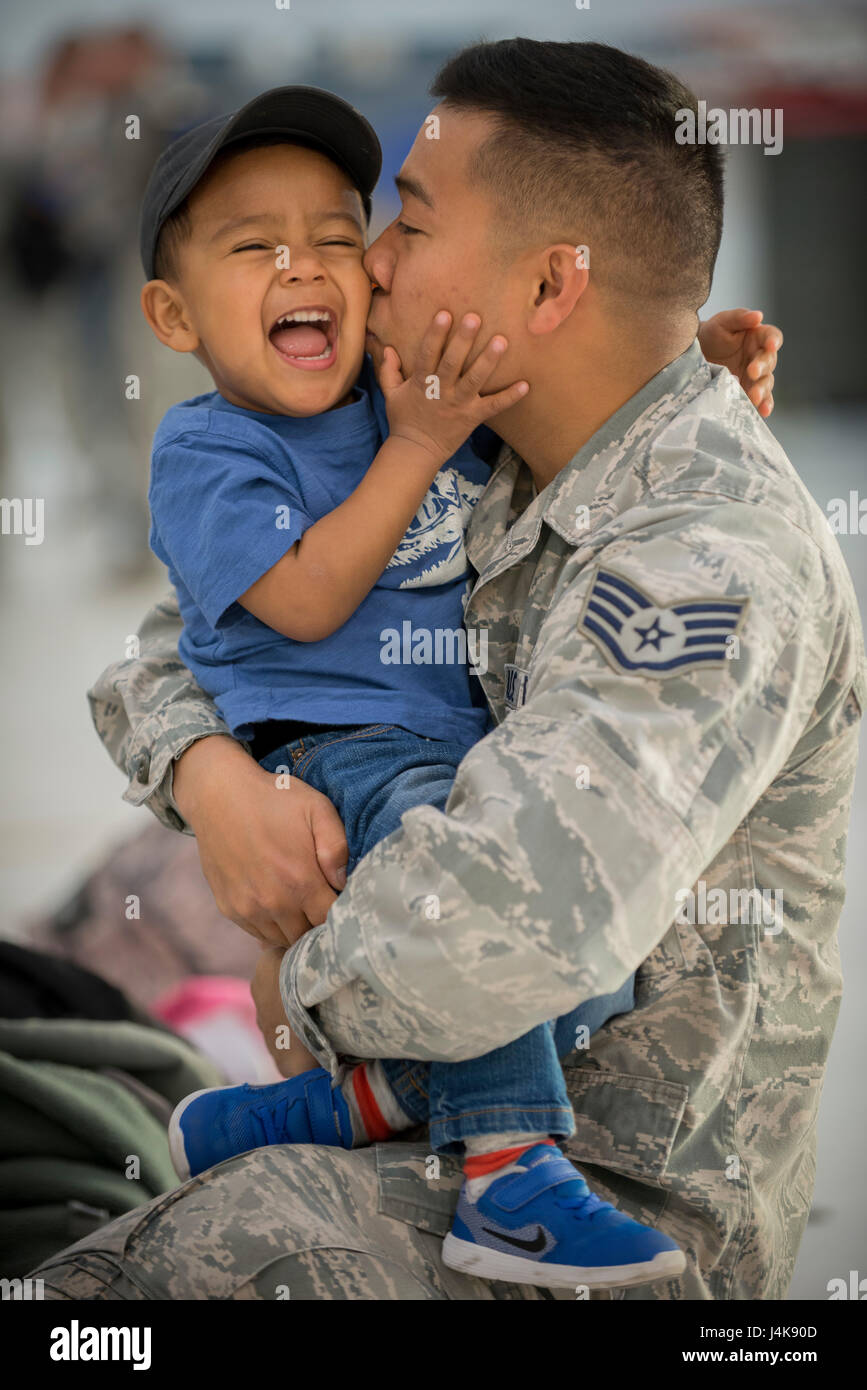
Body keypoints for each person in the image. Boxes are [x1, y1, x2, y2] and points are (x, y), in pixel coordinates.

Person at [38, 39, 863, 1302]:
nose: (364, 262)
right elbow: (192, 635)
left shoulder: (706, 554)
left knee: (129, 1293)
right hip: (433, 1133)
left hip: (612, 1200)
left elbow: (507, 920)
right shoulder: (499, 448)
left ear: (547, 287)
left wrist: (282, 971)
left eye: (406, 222)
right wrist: (210, 782)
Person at [137, 85, 681, 1290]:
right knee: (476, 872)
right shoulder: (210, 450)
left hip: (451, 743)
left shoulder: (404, 394)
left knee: (598, 965)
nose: (311, 267)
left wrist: (697, 375)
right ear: (174, 315)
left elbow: (569, 421)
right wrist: (416, 447)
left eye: (339, 235)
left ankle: (347, 1103)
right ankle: (507, 1179)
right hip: (337, 748)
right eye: (255, 247)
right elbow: (307, 599)